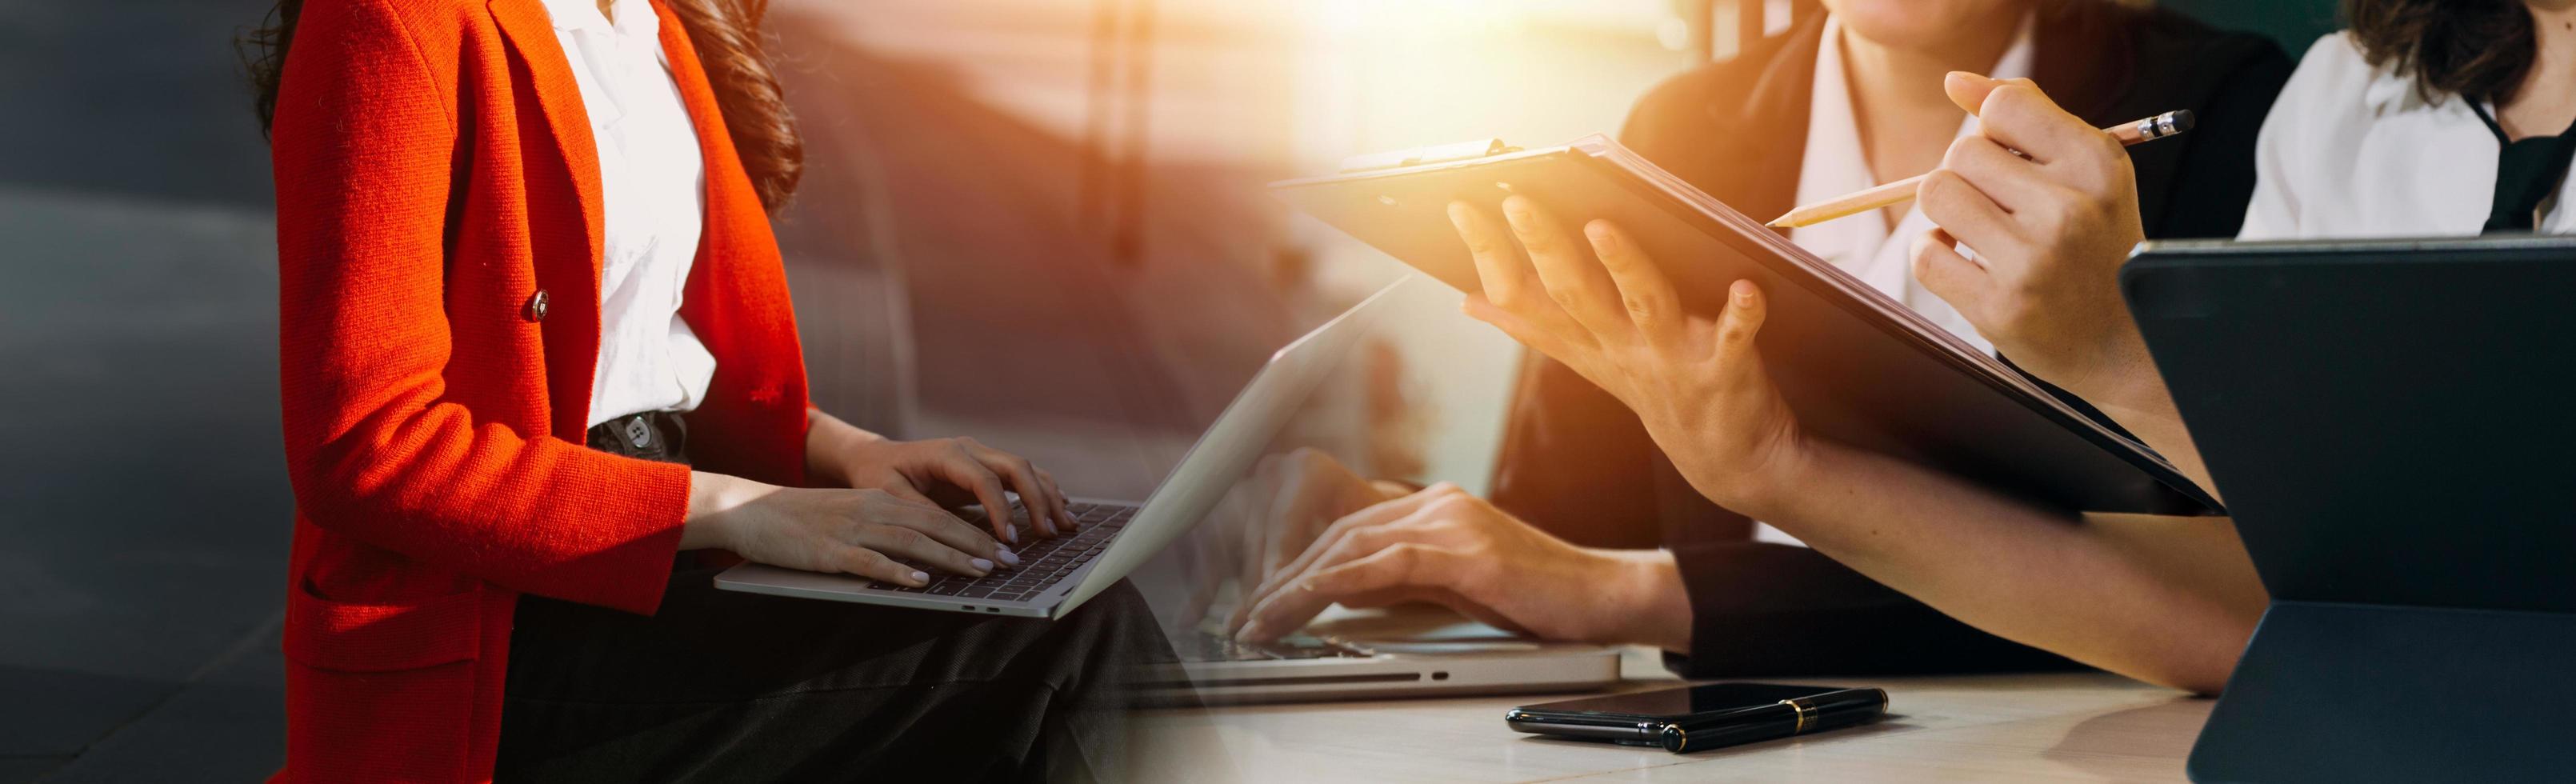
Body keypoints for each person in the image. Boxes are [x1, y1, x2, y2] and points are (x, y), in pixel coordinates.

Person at [1230, 0, 2287, 682]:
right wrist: (1415, 541)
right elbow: (1565, 532)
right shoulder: (1676, 133)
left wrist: (1638, 589)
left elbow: (2229, 580)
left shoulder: (2223, 113)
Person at [249, 0, 1165, 779]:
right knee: (1058, 650)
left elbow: (642, 355)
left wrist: (850, 455)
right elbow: (365, 446)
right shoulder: (386, 19)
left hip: (673, 545)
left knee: (1058, 597)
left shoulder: (647, 19)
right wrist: (743, 508)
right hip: (493, 631)